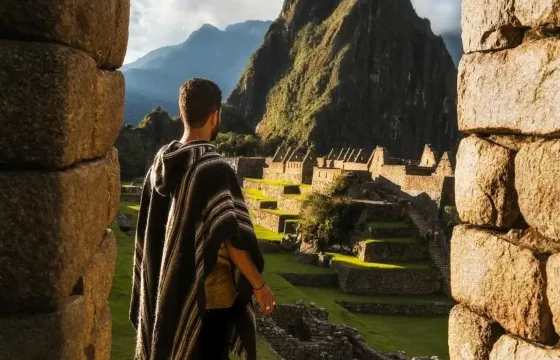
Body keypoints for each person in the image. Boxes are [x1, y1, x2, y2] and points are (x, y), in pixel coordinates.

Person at [130, 78, 275, 360]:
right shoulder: (213, 168)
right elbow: (231, 236)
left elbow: (149, 235)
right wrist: (259, 285)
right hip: (209, 303)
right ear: (215, 115)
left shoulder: (160, 163)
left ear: (182, 114)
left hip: (167, 296)